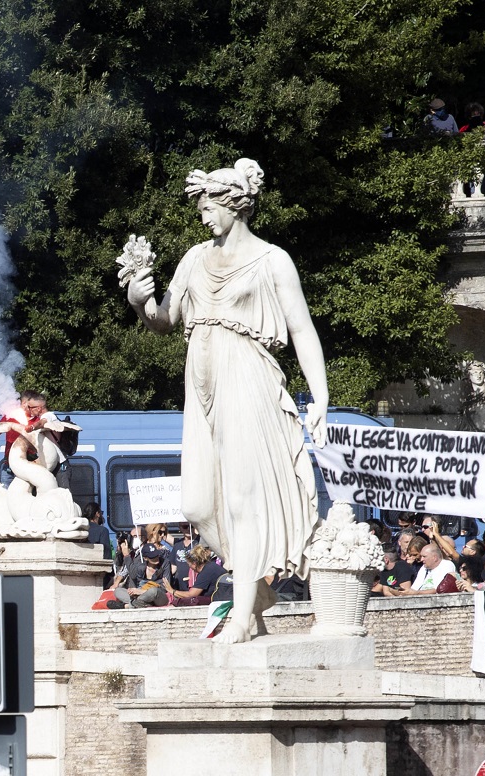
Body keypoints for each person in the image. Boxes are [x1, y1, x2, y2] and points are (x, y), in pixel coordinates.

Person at [125, 158, 329, 643]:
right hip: (201, 389)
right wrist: (138, 300)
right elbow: (164, 319)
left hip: (248, 377)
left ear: (234, 206)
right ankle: (255, 589)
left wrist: (319, 396)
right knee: (197, 503)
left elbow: (302, 329)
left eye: (208, 206)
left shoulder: (272, 260)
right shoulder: (194, 258)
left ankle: (243, 616)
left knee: (241, 497)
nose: (202, 217)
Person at [107, 543, 170, 608]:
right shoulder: (141, 567)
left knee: (154, 591)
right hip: (142, 597)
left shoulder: (165, 564)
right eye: (153, 557)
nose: (156, 558)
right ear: (145, 558)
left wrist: (141, 592)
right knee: (118, 591)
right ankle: (142, 604)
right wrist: (133, 591)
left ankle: (127, 606)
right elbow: (133, 574)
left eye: (157, 555)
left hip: (159, 596)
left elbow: (165, 587)